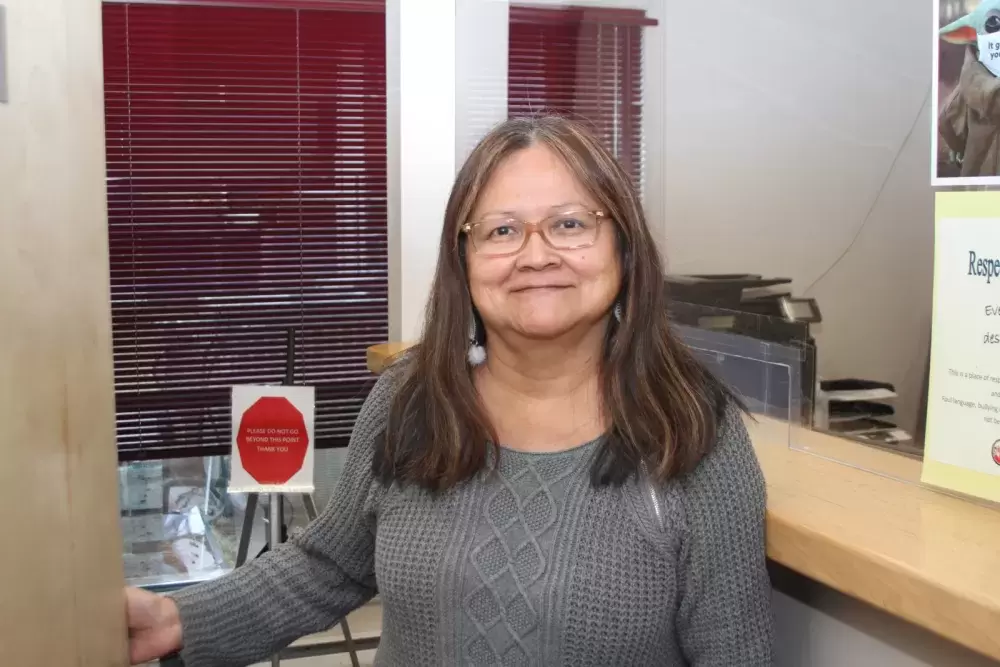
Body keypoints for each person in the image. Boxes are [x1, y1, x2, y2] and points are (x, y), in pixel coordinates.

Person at [126, 115, 774, 666]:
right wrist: (177, 618)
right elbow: (328, 565)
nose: (536, 253)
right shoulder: (410, 402)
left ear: (623, 247)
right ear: (463, 262)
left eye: (571, 223)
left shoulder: (692, 432)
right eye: (501, 230)